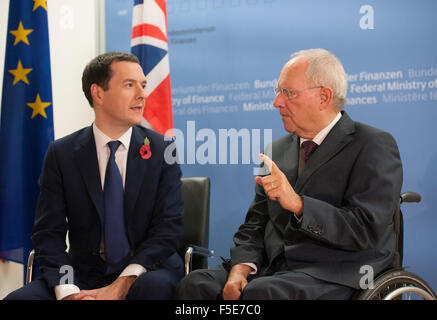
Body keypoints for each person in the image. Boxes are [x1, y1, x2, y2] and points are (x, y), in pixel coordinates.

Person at [175, 48, 403, 300]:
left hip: (338, 270)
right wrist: (240, 269)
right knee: (195, 285)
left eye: (288, 93)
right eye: (278, 92)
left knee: (262, 293)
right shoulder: (277, 150)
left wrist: (299, 205)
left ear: (324, 97)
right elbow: (255, 225)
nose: (277, 102)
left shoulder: (372, 144)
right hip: (275, 268)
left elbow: (365, 229)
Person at [5, 52, 184, 300]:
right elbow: (48, 233)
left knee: (152, 289)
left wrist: (123, 283)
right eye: (129, 85)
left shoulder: (163, 150)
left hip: (146, 270)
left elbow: (168, 230)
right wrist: (68, 291)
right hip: (81, 273)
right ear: (98, 94)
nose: (142, 94)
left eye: (143, 85)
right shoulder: (62, 154)